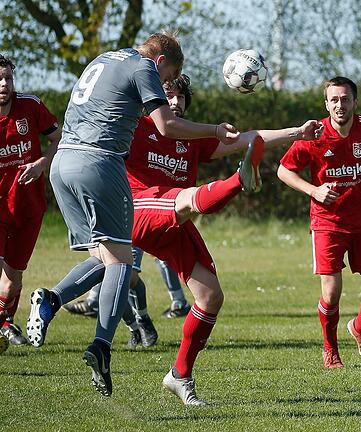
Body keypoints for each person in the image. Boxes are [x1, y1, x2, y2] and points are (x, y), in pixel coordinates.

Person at [25, 32, 240, 398]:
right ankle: (102, 346)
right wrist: (215, 129)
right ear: (159, 62)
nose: (163, 86)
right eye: (166, 77)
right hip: (99, 163)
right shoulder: (144, 66)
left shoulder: (104, 58)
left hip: (64, 163)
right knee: (123, 262)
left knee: (105, 255)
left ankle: (53, 298)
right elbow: (167, 125)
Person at [127, 74, 322, 404]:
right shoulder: (136, 126)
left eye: (180, 97)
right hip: (137, 209)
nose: (174, 102)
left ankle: (180, 375)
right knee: (187, 198)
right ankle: (237, 181)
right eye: (167, 95)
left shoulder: (191, 137)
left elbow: (249, 138)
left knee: (210, 296)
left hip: (173, 218)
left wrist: (297, 133)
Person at [277, 76, 361, 369]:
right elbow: (283, 171)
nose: (340, 105)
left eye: (345, 99)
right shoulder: (315, 134)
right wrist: (314, 190)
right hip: (327, 222)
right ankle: (330, 349)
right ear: (326, 104)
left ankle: (359, 327)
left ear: (355, 101)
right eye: (334, 100)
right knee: (331, 292)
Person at [0, 54, 61, 347]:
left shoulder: (31, 106)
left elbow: (58, 139)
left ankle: (5, 322)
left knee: (13, 279)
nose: (4, 84)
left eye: (8, 78)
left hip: (29, 207)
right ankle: (4, 325)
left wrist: (41, 164)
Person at [63, 254, 190, 319]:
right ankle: (94, 301)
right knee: (111, 254)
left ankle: (139, 324)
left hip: (140, 209)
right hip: (137, 209)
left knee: (124, 265)